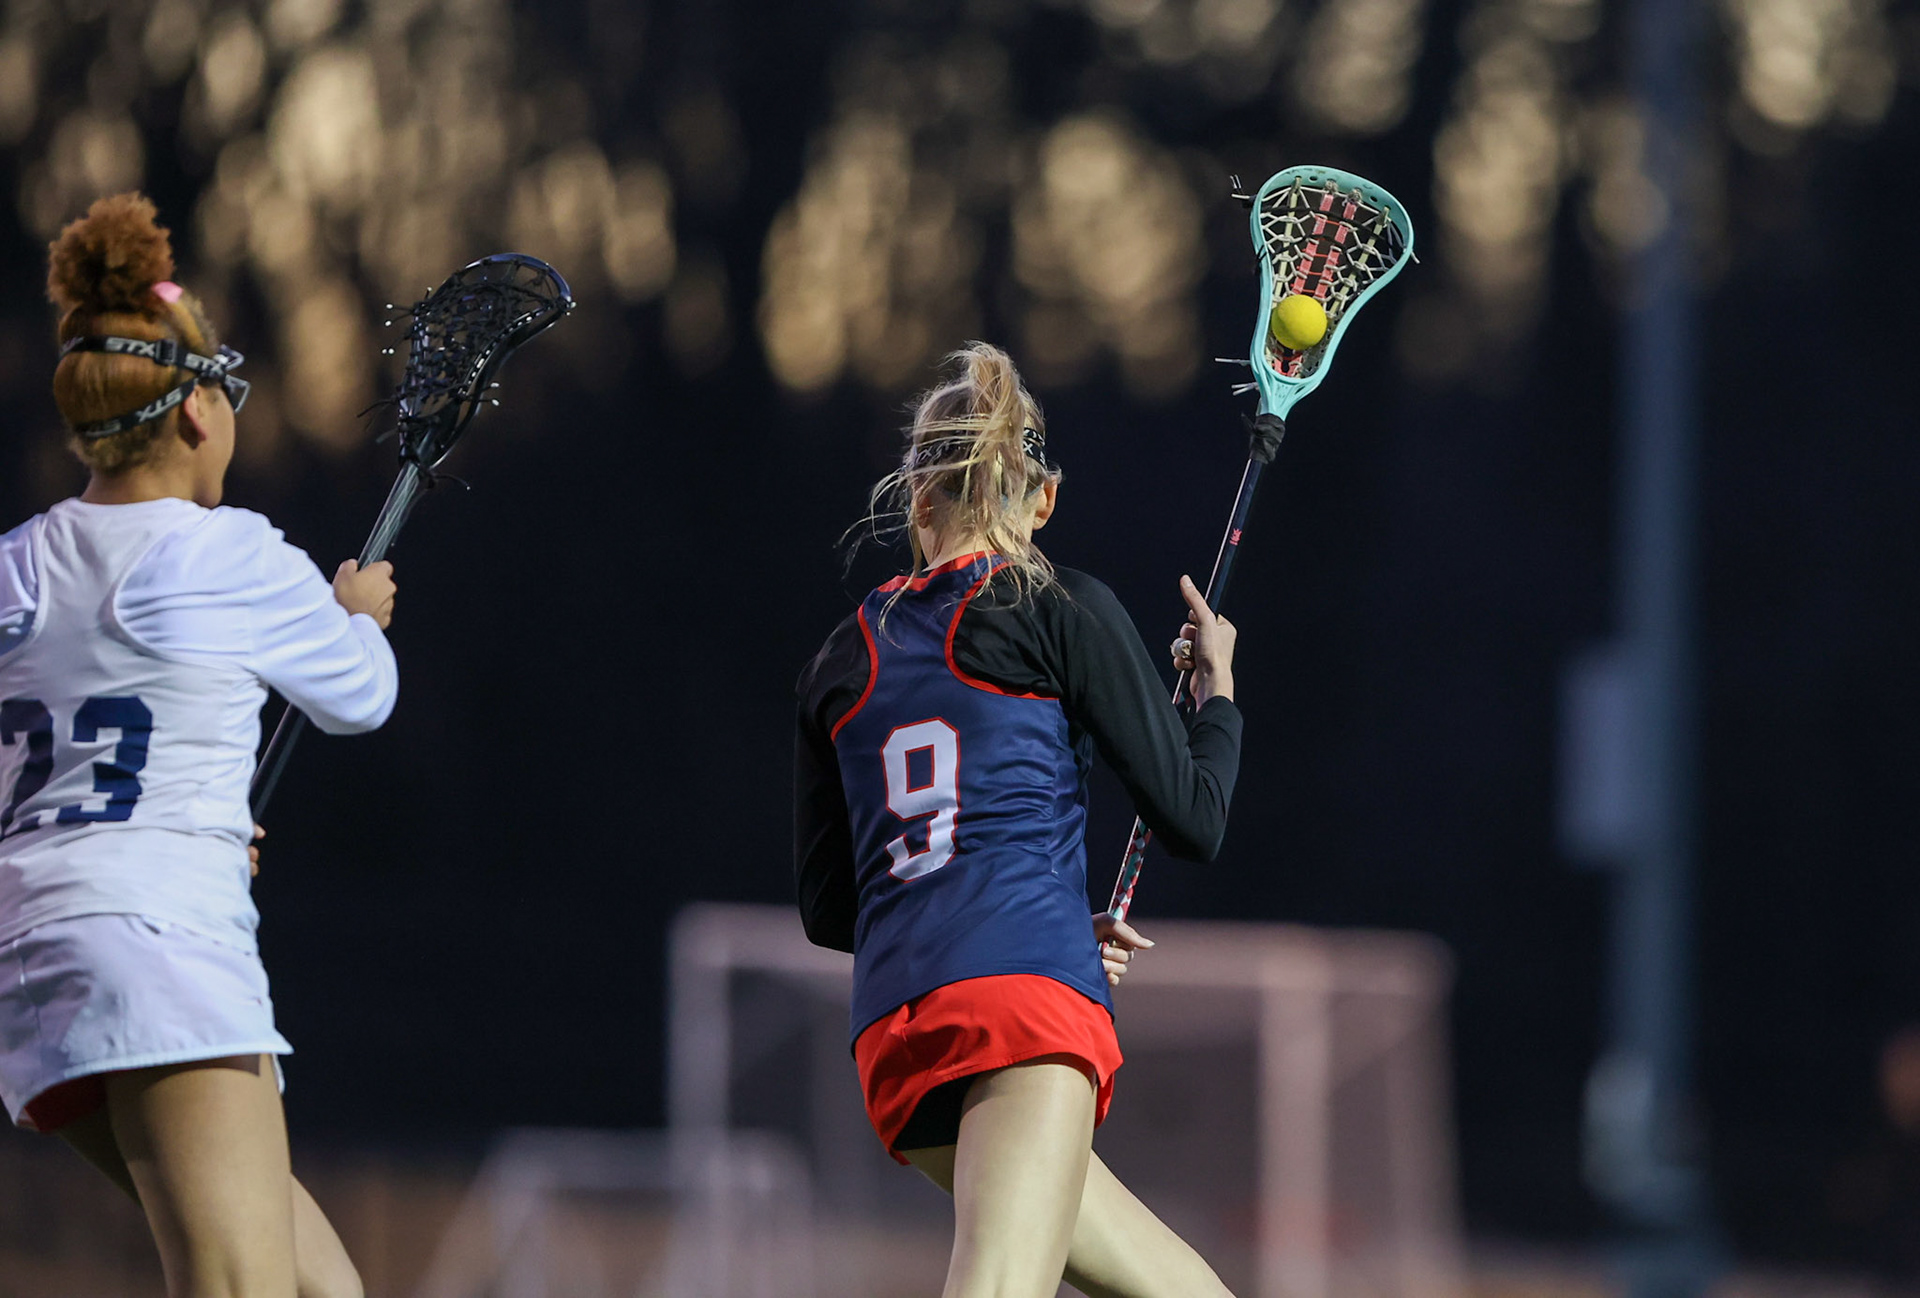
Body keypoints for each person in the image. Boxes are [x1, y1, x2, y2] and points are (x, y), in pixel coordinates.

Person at [0, 193, 397, 1298]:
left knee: (326, 1285)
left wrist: (204, 824)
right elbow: (362, 696)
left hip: (33, 959)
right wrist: (355, 611)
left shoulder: (17, 566)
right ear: (193, 415)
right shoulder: (231, 554)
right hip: (163, 948)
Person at [795, 342, 1244, 1297]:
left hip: (895, 1033)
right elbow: (1195, 819)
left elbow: (836, 910)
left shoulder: (840, 657)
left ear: (919, 497)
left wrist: (1031, 904)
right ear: (1042, 500)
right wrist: (1218, 696)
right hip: (1022, 1010)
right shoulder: (1061, 604)